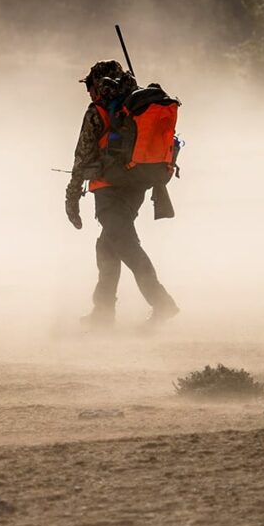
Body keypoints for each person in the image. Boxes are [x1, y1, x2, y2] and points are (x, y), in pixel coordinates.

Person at [64, 60, 180, 328]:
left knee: (126, 246)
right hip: (138, 183)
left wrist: (71, 199)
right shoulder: (137, 102)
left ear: (97, 85)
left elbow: (81, 157)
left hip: (108, 188)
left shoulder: (98, 110)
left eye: (90, 87)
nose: (90, 93)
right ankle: (103, 313)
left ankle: (162, 303)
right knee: (107, 245)